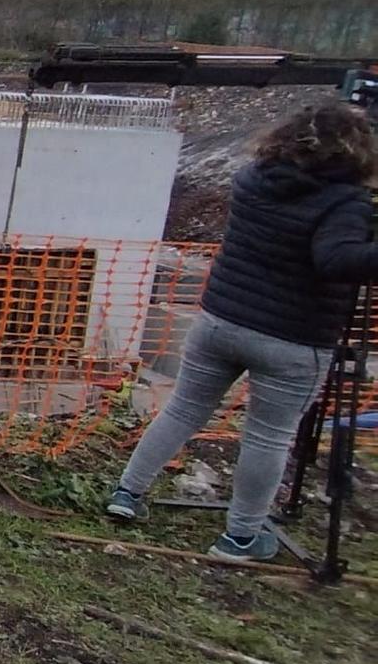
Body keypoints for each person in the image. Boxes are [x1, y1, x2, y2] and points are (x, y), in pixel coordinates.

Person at [105, 101, 378, 558]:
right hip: (292, 337)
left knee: (182, 410)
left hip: (220, 321)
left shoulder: (253, 179)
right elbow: (336, 261)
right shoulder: (344, 202)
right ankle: (242, 536)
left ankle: (127, 493)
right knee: (268, 435)